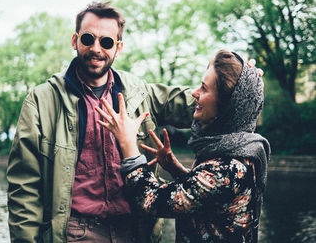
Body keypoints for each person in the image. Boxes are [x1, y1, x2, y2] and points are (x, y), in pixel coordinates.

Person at [6, 2, 196, 243]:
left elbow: (197, 102)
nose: (96, 48)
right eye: (88, 39)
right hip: (75, 233)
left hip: (136, 232)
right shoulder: (41, 101)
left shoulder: (140, 93)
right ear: (75, 41)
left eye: (106, 42)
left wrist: (236, 81)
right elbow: (24, 189)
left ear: (118, 48)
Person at [96, 50, 271, 242]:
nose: (195, 93)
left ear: (225, 107)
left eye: (204, 89)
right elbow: (207, 199)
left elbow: (151, 200)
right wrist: (177, 170)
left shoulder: (225, 169)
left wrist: (128, 144)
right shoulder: (242, 151)